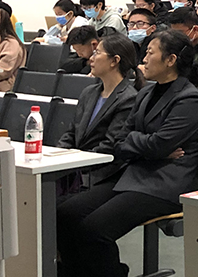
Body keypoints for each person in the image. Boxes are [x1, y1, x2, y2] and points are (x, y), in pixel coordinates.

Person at [56, 29, 198, 277]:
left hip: (164, 183)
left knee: (94, 228)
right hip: (134, 172)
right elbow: (121, 143)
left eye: (150, 53)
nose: (143, 59)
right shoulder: (146, 93)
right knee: (65, 214)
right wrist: (148, 146)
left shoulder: (188, 98)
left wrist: (145, 145)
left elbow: (157, 144)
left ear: (170, 60)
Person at [55, 33, 142, 187]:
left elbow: (110, 146)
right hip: (77, 168)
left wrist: (75, 162)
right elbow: (72, 133)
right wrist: (57, 155)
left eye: (97, 53)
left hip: (101, 173)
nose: (91, 58)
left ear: (114, 61)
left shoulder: (128, 98)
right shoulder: (89, 92)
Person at [163, 7, 198, 74]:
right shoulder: (173, 43)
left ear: (195, 29)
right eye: (173, 32)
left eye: (179, 32)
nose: (175, 36)